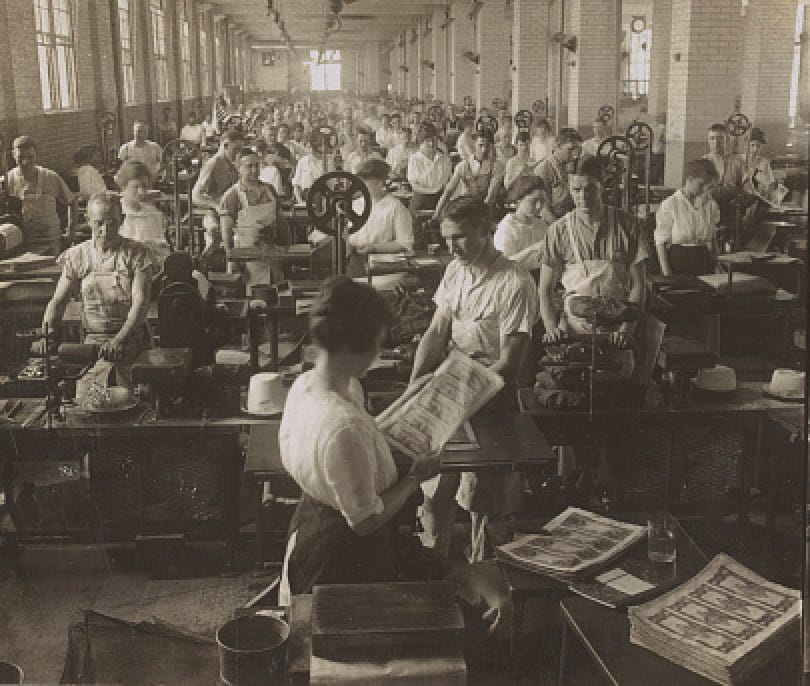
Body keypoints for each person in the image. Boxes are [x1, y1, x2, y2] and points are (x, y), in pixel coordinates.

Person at [278, 276, 442, 602]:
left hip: (312, 522)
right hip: (345, 558)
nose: (378, 353)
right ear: (352, 347)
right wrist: (415, 479)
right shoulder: (342, 428)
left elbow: (361, 432)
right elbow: (365, 521)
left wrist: (410, 398)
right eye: (376, 344)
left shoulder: (309, 385)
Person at [410, 196, 538, 562]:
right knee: (435, 490)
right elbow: (436, 332)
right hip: (450, 392)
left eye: (462, 237)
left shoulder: (515, 282)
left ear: (488, 231)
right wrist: (415, 387)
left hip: (491, 400)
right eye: (447, 237)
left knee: (483, 501)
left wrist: (455, 397)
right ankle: (436, 573)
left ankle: (484, 582)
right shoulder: (455, 271)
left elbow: (510, 363)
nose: (453, 247)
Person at [40, 192, 151, 401]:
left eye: (113, 222)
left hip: (132, 340)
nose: (106, 230)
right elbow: (57, 301)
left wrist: (119, 340)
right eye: (99, 223)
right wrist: (47, 334)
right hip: (93, 343)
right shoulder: (77, 256)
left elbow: (140, 303)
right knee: (88, 401)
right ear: (87, 220)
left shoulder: (137, 253)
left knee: (130, 401)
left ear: (122, 221)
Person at [538, 155, 648, 345]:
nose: (583, 197)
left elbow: (639, 284)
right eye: (577, 190)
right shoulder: (558, 231)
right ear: (569, 188)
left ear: (602, 185)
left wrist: (625, 330)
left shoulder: (628, 225)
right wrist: (551, 328)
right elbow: (545, 289)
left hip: (617, 331)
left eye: (590, 189)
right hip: (573, 330)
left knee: (619, 371)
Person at [219, 148, 291, 290]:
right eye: (249, 166)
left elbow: (282, 223)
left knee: (277, 294)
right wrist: (233, 262)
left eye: (256, 166)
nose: (254, 170)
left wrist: (287, 252)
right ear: (239, 168)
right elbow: (226, 235)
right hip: (247, 261)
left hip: (273, 256)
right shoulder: (232, 196)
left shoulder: (269, 190)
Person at [346, 159, 414, 284]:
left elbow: (404, 244)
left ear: (381, 181)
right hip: (355, 262)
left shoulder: (396, 207)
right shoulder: (354, 205)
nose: (362, 185)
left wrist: (374, 248)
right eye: (362, 180)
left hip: (384, 267)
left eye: (367, 181)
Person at [7, 135, 76, 256]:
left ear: (36, 155)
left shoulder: (50, 177)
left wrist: (70, 232)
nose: (26, 162)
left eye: (30, 157)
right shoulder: (7, 181)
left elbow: (72, 202)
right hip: (22, 244)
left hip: (51, 242)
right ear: (13, 155)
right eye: (21, 157)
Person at [654, 159, 720, 276]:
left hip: (704, 261)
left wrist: (717, 265)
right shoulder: (670, 204)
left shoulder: (710, 204)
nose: (705, 189)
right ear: (689, 180)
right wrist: (667, 273)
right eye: (701, 184)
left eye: (707, 186)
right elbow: (660, 242)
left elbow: (713, 238)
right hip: (679, 262)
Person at [434, 131, 505, 217]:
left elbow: (491, 196)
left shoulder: (497, 166)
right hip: (467, 206)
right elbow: (448, 192)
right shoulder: (463, 166)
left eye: (487, 146)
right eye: (481, 145)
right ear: (474, 145)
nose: (484, 150)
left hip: (488, 209)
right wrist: (436, 215)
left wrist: (478, 216)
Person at [115, 160, 170, 268]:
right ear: (123, 186)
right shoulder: (115, 214)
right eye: (136, 187)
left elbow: (164, 251)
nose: (141, 192)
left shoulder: (153, 214)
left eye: (144, 186)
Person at [494, 176, 553, 271]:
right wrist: (531, 249)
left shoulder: (541, 224)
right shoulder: (507, 228)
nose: (539, 206)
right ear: (519, 199)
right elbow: (503, 264)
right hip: (516, 276)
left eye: (542, 201)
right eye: (534, 201)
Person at [535, 128, 583, 219]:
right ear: (558, 146)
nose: (575, 155)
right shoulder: (544, 169)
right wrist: (560, 229)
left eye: (577, 150)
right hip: (552, 222)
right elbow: (543, 209)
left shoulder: (572, 166)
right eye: (570, 149)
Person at [407, 123, 453, 215]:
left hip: (441, 199)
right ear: (421, 142)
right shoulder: (415, 159)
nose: (432, 144)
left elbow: (449, 181)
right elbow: (414, 185)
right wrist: (433, 191)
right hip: (421, 200)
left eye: (434, 140)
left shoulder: (445, 159)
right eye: (427, 140)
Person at [192, 129, 244, 209]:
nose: (238, 154)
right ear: (225, 146)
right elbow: (196, 196)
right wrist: (216, 206)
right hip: (216, 213)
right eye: (236, 150)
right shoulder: (213, 164)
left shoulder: (231, 162)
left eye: (240, 150)